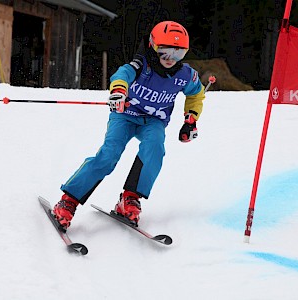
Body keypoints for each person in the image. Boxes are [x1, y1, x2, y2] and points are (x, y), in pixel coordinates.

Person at [52, 21, 206, 232]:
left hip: (153, 121)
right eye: (164, 52)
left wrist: (191, 119)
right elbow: (121, 75)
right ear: (152, 45)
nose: (170, 59)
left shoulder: (185, 75)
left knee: (155, 148)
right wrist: (118, 91)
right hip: (125, 116)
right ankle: (68, 201)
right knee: (109, 155)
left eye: (178, 53)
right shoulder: (140, 66)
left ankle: (129, 199)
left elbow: (196, 93)